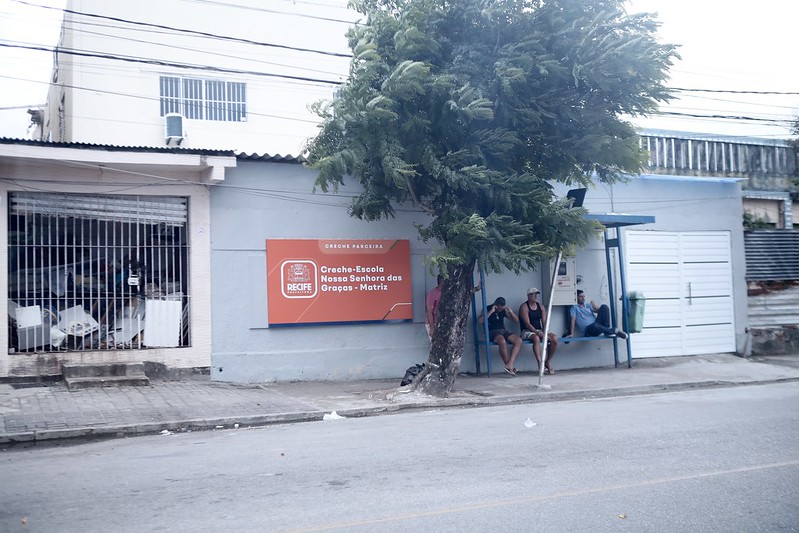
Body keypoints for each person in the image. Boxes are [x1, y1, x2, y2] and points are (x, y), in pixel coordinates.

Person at [519, 287, 558, 375]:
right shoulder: (524, 307)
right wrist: (538, 333)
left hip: (539, 329)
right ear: (528, 295)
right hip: (527, 330)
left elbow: (544, 321)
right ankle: (540, 363)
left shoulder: (541, 306)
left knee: (554, 338)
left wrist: (545, 331)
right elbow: (527, 324)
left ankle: (547, 361)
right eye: (533, 294)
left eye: (536, 294)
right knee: (536, 338)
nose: (535, 296)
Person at [479, 297, 522, 375]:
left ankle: (510, 364)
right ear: (495, 305)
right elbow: (480, 321)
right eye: (499, 308)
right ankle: (508, 366)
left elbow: (516, 320)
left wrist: (511, 312)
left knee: (518, 340)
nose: (500, 310)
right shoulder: (487, 308)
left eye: (501, 309)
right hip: (492, 332)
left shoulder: (502, 310)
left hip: (503, 330)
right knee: (502, 341)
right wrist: (491, 311)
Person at [425, 274, 444, 341]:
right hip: (434, 323)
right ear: (441, 281)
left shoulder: (446, 292)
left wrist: (476, 288)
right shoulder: (433, 294)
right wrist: (432, 327)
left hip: (442, 322)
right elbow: (429, 311)